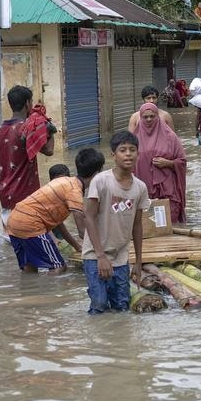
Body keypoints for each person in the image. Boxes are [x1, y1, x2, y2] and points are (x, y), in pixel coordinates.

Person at [82, 131, 150, 314]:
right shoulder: (101, 181)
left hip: (121, 256)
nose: (128, 154)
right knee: (99, 304)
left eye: (132, 150)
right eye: (122, 150)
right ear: (113, 154)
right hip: (95, 254)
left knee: (122, 306)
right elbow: (88, 217)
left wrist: (138, 262)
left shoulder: (140, 188)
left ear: (138, 154)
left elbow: (137, 225)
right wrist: (101, 256)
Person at [5, 148, 101, 273]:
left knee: (30, 268)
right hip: (30, 224)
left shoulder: (65, 182)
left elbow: (58, 223)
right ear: (97, 174)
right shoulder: (75, 192)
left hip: (14, 221)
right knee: (59, 267)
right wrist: (101, 252)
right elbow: (83, 232)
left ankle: (30, 292)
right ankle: (51, 292)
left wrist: (76, 246)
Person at [0, 85, 54, 244]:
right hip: (27, 199)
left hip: (6, 197)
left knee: (11, 247)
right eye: (31, 102)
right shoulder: (27, 128)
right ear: (27, 104)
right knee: (33, 247)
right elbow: (49, 150)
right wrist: (51, 131)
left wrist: (9, 177)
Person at [135, 103, 187, 223]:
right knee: (147, 224)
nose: (149, 119)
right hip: (143, 188)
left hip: (167, 189)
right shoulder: (134, 138)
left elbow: (182, 161)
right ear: (140, 117)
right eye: (145, 117)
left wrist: (169, 163)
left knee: (168, 222)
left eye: (152, 116)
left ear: (157, 116)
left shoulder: (171, 137)